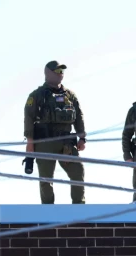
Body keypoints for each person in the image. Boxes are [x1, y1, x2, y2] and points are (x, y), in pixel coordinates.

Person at [23, 60, 87, 204]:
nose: (61, 74)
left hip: (66, 142)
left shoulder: (70, 95)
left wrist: (82, 138)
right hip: (45, 142)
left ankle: (79, 207)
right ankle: (48, 211)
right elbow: (29, 117)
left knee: (78, 171)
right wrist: (30, 142)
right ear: (48, 73)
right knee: (46, 179)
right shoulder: (37, 95)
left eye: (62, 71)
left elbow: (79, 117)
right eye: (57, 71)